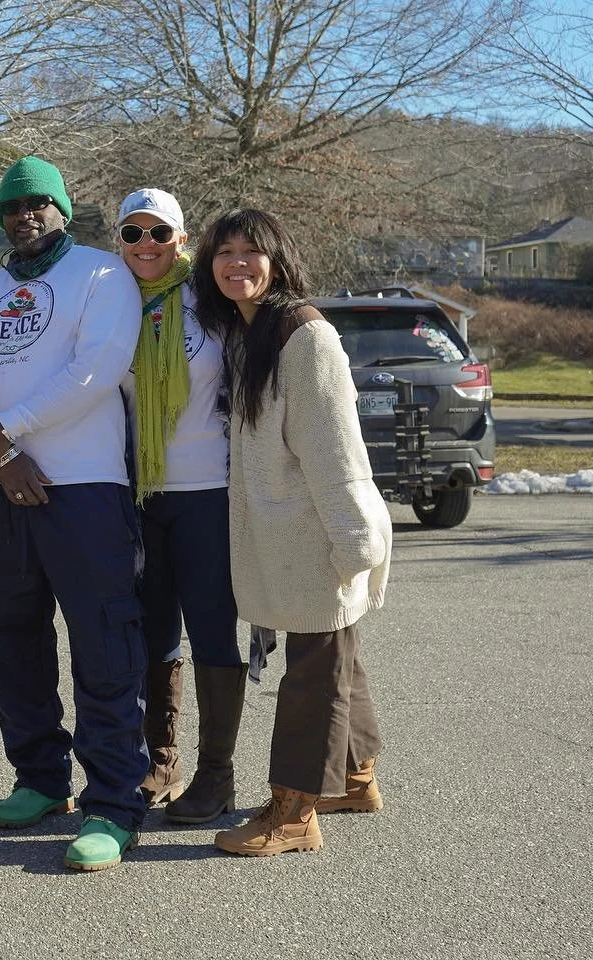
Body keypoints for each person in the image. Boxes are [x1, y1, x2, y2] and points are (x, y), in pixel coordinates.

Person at [0, 157, 146, 870]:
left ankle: (115, 801)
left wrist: (6, 432)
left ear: (63, 209)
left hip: (87, 487)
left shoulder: (102, 276)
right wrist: (3, 459)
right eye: (11, 206)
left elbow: (97, 369)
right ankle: (40, 777)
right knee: (8, 635)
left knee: (103, 642)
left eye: (39, 202)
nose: (24, 214)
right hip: (2, 491)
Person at [192, 208, 391, 857]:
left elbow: (337, 453)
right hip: (295, 537)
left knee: (313, 674)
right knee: (335, 656)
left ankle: (295, 812)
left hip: (321, 536)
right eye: (225, 251)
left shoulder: (305, 338)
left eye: (252, 251)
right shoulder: (253, 332)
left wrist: (354, 542)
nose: (237, 263)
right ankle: (355, 779)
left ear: (278, 260)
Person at [113, 188, 246, 824]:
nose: (145, 246)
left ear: (181, 240)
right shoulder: (111, 304)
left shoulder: (211, 302)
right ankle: (160, 760)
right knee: (154, 630)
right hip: (141, 493)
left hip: (209, 494)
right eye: (132, 234)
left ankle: (216, 775)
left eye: (158, 234)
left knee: (213, 631)